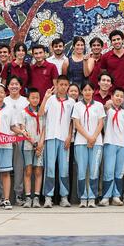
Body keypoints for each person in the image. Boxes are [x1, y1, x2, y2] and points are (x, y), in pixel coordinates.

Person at [39, 75, 74, 208]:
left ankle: (64, 197)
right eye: (61, 84)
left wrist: (69, 136)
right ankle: (48, 197)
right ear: (57, 85)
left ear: (68, 86)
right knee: (50, 168)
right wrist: (45, 98)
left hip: (64, 138)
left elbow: (72, 121)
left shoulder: (71, 102)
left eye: (66, 85)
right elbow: (41, 113)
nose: (63, 87)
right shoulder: (50, 99)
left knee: (64, 169)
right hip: (51, 137)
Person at [72, 82, 105, 208]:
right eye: (84, 90)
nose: (87, 92)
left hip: (97, 143)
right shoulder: (77, 106)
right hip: (81, 142)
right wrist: (88, 137)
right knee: (81, 170)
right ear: (81, 92)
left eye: (89, 89)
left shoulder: (99, 105)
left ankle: (92, 197)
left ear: (93, 91)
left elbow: (100, 123)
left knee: (94, 171)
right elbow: (77, 124)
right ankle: (83, 197)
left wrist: (94, 138)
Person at [100, 87, 124, 206]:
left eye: (121, 96)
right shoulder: (107, 110)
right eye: (117, 95)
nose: (119, 98)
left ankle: (116, 196)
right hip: (109, 143)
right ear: (112, 97)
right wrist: (105, 106)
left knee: (119, 171)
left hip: (122, 144)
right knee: (108, 170)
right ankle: (106, 196)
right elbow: (100, 120)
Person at [4, 76, 29, 206]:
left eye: (16, 84)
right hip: (5, 138)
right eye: (11, 84)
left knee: (19, 168)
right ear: (7, 86)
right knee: (4, 168)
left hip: (20, 138)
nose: (14, 86)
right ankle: (4, 196)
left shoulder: (25, 101)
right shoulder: (3, 100)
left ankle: (19, 195)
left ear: (20, 86)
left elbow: (26, 120)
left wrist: (19, 133)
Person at [20, 88, 45, 208]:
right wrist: (32, 142)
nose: (35, 100)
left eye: (37, 98)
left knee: (38, 170)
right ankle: (28, 197)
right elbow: (23, 129)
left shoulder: (43, 112)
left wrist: (40, 143)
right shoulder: (23, 112)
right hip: (28, 145)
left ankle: (36, 197)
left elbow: (45, 128)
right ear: (28, 99)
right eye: (33, 97)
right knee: (28, 170)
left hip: (41, 145)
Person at [98, 30, 124, 94]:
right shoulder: (105, 56)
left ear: (122, 40)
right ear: (111, 42)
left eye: (118, 39)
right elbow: (103, 75)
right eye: (114, 40)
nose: (116, 42)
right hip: (111, 92)